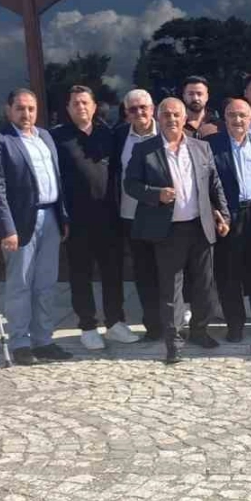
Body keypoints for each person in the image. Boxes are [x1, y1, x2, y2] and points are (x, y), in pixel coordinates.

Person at [125, 97, 230, 364]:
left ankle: (200, 331)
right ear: (158, 119)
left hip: (200, 225)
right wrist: (155, 194)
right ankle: (174, 342)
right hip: (168, 230)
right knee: (171, 289)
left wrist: (223, 215)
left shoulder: (201, 147)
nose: (171, 119)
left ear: (184, 119)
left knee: (204, 286)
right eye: (166, 115)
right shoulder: (144, 150)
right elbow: (130, 185)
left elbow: (214, 184)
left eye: (176, 115)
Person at [0, 88, 71, 367]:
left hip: (50, 216)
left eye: (31, 108)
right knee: (20, 284)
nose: (26, 113)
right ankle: (20, 342)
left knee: (46, 284)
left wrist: (63, 217)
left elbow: (56, 178)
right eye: (20, 108)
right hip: (20, 223)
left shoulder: (45, 137)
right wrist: (6, 228)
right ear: (8, 110)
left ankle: (44, 340)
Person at [51, 85, 139, 352]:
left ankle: (114, 322)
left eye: (85, 102)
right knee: (81, 274)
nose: (81, 107)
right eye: (75, 103)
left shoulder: (108, 134)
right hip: (76, 220)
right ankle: (88, 327)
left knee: (113, 272)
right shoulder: (57, 138)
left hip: (109, 217)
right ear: (68, 108)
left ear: (94, 106)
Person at [206, 96, 251, 341]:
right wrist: (214, 211)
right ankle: (235, 325)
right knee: (229, 273)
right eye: (232, 115)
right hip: (227, 215)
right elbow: (203, 183)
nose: (237, 120)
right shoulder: (210, 145)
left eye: (242, 115)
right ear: (224, 118)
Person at [112, 88, 163, 340]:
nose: (139, 112)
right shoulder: (119, 136)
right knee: (144, 274)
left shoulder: (166, 131)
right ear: (126, 113)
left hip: (163, 215)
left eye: (144, 107)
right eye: (133, 109)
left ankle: (172, 323)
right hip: (131, 216)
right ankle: (153, 326)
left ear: (152, 109)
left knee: (167, 272)